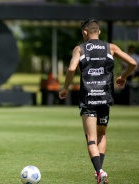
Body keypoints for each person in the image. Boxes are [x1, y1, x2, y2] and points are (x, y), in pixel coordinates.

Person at [59, 19, 136, 184]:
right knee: (102, 134)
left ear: (85, 32)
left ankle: (99, 171)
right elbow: (133, 63)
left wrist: (65, 87)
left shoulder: (79, 49)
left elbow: (72, 68)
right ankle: (99, 173)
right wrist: (123, 76)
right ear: (99, 32)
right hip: (104, 98)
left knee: (91, 137)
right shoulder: (111, 47)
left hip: (88, 98)